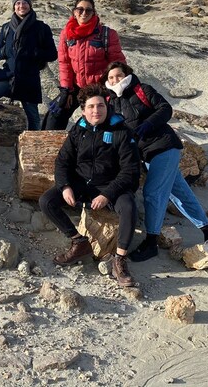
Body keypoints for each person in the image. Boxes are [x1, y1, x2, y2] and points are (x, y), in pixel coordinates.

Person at [102, 61, 208, 262]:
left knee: (152, 193)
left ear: (127, 75)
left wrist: (147, 125)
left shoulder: (142, 89)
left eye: (118, 76)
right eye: (111, 77)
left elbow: (165, 109)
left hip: (164, 146)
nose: (115, 80)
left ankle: (151, 242)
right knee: (179, 192)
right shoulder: (110, 101)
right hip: (145, 154)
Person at [39, 84, 140, 287]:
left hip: (112, 186)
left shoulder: (121, 130)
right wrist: (65, 185)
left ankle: (119, 260)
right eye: (91, 107)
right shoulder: (79, 129)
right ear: (83, 110)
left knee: (129, 207)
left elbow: (130, 171)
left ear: (107, 106)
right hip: (82, 183)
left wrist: (107, 195)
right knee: (46, 201)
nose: (96, 111)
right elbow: (62, 161)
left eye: (100, 106)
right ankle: (79, 242)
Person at [43, 0, 126, 130]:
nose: (84, 13)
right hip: (77, 86)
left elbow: (118, 64)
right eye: (80, 9)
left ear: (94, 13)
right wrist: (66, 90)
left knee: (101, 120)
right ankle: (47, 147)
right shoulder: (66, 34)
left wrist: (114, 89)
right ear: (74, 12)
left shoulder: (107, 34)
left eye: (88, 10)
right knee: (55, 114)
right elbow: (65, 63)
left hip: (100, 87)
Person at [0, 0, 58, 130]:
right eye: (18, 3)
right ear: (14, 7)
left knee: (33, 117)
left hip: (29, 78)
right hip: (8, 75)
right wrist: (5, 52)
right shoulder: (6, 28)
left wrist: (35, 52)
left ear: (30, 5)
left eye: (24, 3)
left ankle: (33, 145)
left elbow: (52, 54)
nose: (21, 6)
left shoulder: (41, 28)